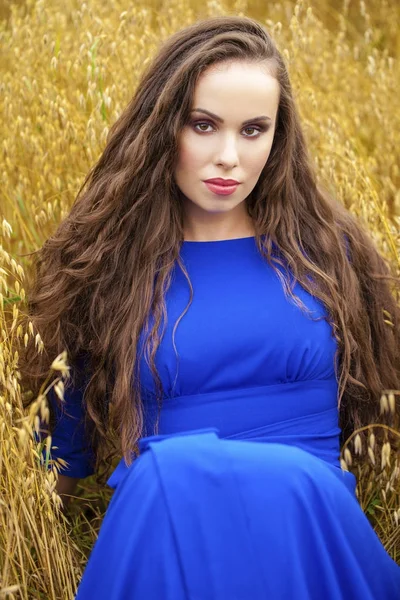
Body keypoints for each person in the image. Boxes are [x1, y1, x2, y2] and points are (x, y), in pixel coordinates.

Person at [21, 15, 400, 600]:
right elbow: (56, 467)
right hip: (163, 524)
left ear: (279, 137)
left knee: (278, 482)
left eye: (254, 130)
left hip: (305, 521)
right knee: (167, 472)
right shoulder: (108, 269)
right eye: (203, 125)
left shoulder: (332, 253)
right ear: (162, 129)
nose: (229, 156)